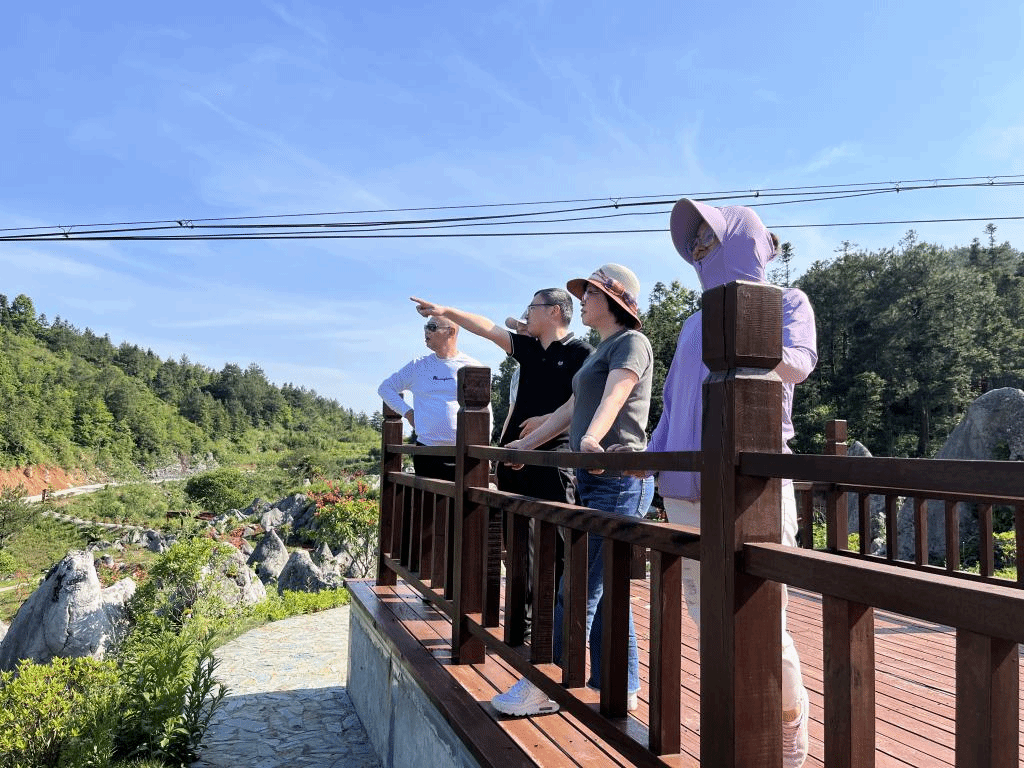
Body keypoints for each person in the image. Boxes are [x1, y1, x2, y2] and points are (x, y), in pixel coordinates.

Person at [647, 200, 818, 767]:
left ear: (744, 238)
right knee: (707, 614)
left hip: (753, 484)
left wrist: (745, 341)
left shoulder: (788, 301)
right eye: (694, 240)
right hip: (684, 485)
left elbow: (799, 363)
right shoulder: (691, 321)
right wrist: (647, 458)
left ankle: (787, 720)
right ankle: (743, 723)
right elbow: (672, 405)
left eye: (709, 236)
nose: (698, 248)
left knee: (764, 614)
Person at [489, 263, 654, 717]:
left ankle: (547, 684)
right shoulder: (601, 351)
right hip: (594, 480)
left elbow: (616, 395)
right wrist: (524, 445)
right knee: (604, 588)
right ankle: (620, 684)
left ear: (615, 301)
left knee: (577, 588)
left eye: (591, 293)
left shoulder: (631, 343)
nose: (582, 300)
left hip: (617, 482)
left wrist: (591, 440)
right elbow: (572, 407)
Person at [409, 290, 593, 633]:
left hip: (554, 459)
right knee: (519, 541)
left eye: (533, 307)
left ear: (554, 311)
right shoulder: (529, 349)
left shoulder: (582, 352)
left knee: (558, 542)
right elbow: (487, 328)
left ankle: (558, 623)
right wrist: (447, 309)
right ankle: (522, 621)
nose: (527, 313)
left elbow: (585, 401)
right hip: (513, 457)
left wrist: (546, 421)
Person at [377, 315, 484, 480]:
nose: (426, 331)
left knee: (464, 498)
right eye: (426, 327)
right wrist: (408, 413)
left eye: (432, 327)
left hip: (465, 452)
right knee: (428, 498)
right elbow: (385, 388)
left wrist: (483, 449)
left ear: (451, 332)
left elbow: (484, 408)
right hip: (427, 451)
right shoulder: (418, 366)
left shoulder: (473, 366)